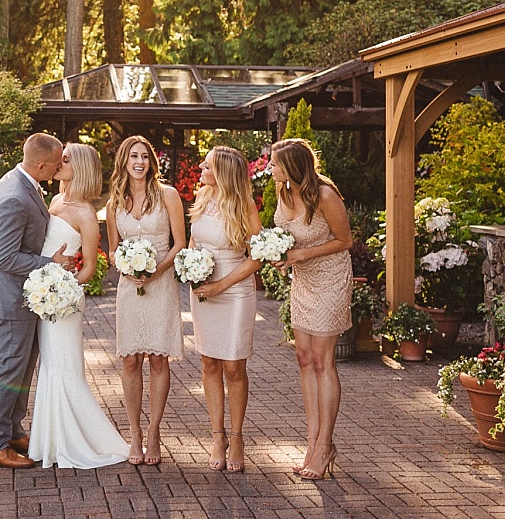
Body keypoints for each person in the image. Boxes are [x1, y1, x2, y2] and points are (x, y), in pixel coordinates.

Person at [29, 143, 130, 469]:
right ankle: (51, 442)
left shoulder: (86, 214)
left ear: (81, 168)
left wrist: (63, 288)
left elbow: (89, 266)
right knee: (50, 365)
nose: (59, 163)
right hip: (46, 297)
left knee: (64, 367)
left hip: (63, 302)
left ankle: (76, 441)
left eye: (66, 160)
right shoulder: (56, 200)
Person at [0, 132, 72, 468]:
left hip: (23, 296)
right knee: (9, 366)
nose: (62, 165)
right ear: (42, 165)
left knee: (21, 366)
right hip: (9, 297)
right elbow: (4, 258)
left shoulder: (22, 182)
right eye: (59, 160)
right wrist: (51, 264)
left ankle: (13, 430)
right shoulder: (14, 196)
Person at [270, 138, 353, 481]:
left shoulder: (326, 196)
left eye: (275, 164)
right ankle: (312, 441)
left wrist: (300, 255)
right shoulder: (282, 191)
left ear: (292, 166)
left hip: (331, 278)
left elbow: (345, 240)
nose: (270, 169)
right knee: (303, 357)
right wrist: (277, 253)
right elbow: (286, 234)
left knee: (323, 359)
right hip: (302, 282)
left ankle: (326, 445)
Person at [105, 136, 186, 466]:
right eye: (133, 156)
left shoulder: (168, 196)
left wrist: (154, 271)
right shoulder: (114, 203)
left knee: (157, 359)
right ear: (124, 161)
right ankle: (134, 433)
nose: (139, 161)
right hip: (129, 288)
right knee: (130, 361)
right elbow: (112, 250)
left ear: (151, 162)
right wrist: (125, 264)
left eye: (144, 156)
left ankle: (154, 432)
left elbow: (179, 243)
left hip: (161, 283)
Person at [188, 146, 262, 474]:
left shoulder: (244, 205)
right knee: (208, 362)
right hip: (203, 289)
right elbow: (193, 243)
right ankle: (217, 436)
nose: (201, 168)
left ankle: (238, 436)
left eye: (207, 165)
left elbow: (257, 256)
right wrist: (190, 270)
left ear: (224, 172)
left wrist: (220, 285)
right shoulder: (202, 197)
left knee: (233, 365)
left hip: (235, 291)